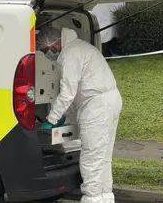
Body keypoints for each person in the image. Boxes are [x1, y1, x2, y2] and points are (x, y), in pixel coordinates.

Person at [36, 26, 122, 203]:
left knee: (91, 158)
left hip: (97, 107)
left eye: (45, 50)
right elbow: (76, 93)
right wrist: (64, 115)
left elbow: (68, 93)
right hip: (108, 101)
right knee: (103, 158)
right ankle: (105, 198)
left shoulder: (70, 54)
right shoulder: (79, 47)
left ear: (54, 42)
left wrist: (52, 119)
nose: (46, 54)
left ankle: (92, 198)